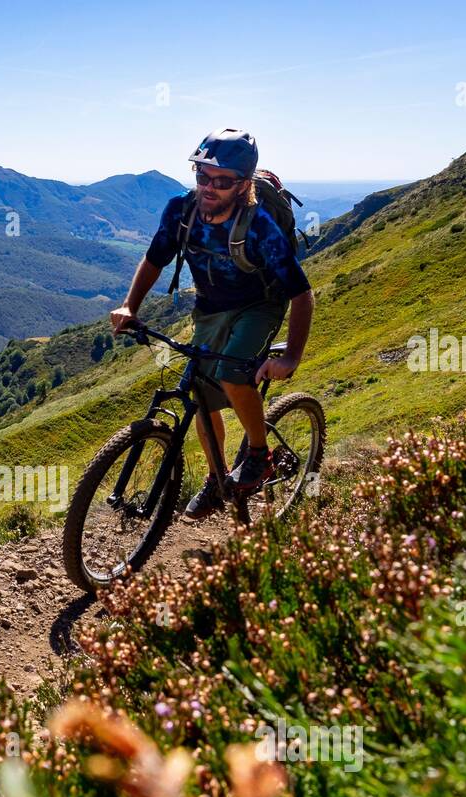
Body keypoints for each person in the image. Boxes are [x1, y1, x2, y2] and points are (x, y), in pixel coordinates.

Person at [110, 129, 315, 518]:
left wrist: (291, 356)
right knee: (202, 394)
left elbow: (301, 293)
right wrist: (129, 307)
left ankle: (259, 454)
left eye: (222, 181)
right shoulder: (180, 211)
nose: (209, 187)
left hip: (259, 306)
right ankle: (217, 477)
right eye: (202, 175)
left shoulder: (258, 227)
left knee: (233, 373)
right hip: (210, 307)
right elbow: (154, 258)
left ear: (243, 185)